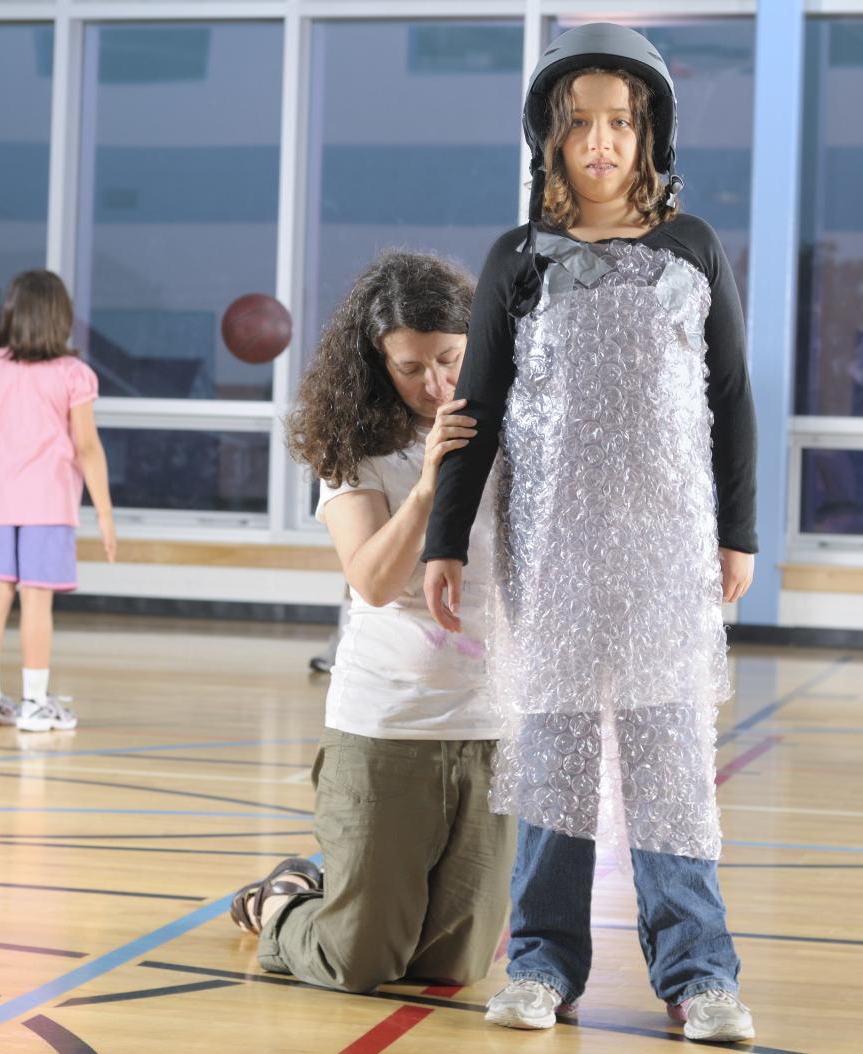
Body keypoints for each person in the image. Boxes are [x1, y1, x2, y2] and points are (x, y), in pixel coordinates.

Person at [421, 23, 757, 1044]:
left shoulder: (692, 249)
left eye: (621, 123)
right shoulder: (517, 260)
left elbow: (731, 397)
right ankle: (540, 960)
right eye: (581, 127)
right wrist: (443, 537)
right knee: (556, 761)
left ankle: (700, 973)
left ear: (648, 135)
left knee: (668, 769)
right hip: (555, 556)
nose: (602, 143)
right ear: (551, 142)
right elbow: (473, 410)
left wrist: (735, 533)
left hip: (666, 555)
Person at [227, 251, 515, 993]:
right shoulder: (358, 449)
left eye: (450, 360)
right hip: (388, 726)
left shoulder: (516, 425)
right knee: (360, 962)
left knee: (453, 965)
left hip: (490, 725)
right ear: (376, 364)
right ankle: (285, 901)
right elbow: (375, 581)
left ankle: (343, 892)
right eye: (410, 368)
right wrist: (427, 490)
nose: (436, 385)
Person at [0, 269, 116, 732]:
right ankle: (35, 703)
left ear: (11, 314)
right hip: (49, 506)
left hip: (0, 505)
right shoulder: (74, 374)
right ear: (63, 318)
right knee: (36, 601)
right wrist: (105, 514)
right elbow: (88, 447)